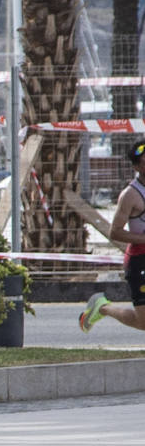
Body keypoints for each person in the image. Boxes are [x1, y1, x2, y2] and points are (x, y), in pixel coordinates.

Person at [80, 138, 145, 333]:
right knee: (143, 323)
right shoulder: (131, 195)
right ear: (136, 166)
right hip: (140, 260)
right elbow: (114, 232)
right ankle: (102, 307)